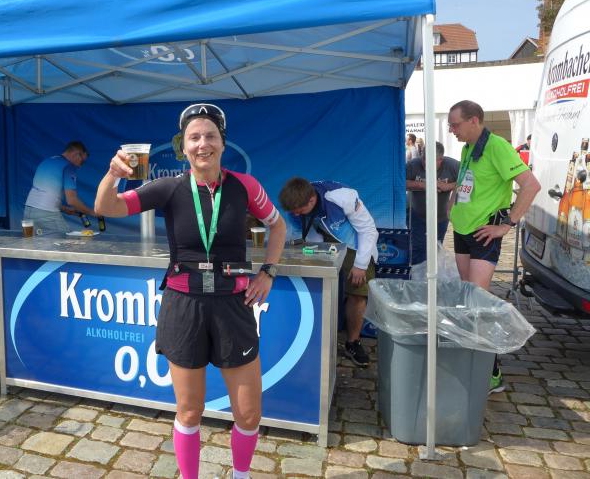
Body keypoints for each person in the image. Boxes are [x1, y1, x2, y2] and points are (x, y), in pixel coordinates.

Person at [95, 103, 286, 479]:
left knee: (249, 413)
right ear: (182, 147)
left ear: (223, 143)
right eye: (194, 137)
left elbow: (278, 227)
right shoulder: (168, 188)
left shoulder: (245, 186)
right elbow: (106, 206)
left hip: (232, 305)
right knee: (189, 410)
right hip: (184, 305)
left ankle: (241, 475)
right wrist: (113, 175)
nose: (203, 144)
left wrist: (268, 272)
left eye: (210, 136)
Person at [448, 100, 541, 394]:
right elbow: (466, 183)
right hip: (462, 230)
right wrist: (452, 205)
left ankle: (492, 371)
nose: (452, 130)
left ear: (474, 120)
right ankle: (472, 360)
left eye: (455, 125)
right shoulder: (467, 148)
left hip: (484, 233)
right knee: (468, 299)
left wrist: (507, 224)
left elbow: (531, 185)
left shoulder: (497, 146)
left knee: (479, 304)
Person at [279, 177, 378, 368]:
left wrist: (361, 265)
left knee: (357, 292)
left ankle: (353, 342)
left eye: (299, 211)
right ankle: (313, 338)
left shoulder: (342, 198)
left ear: (311, 200)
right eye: (293, 211)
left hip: (354, 242)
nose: (295, 214)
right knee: (314, 283)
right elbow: (308, 234)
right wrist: (315, 255)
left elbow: (368, 230)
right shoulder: (295, 208)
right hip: (324, 240)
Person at [406, 141, 460, 265]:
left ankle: (433, 274)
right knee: (417, 248)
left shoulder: (452, 165)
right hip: (417, 215)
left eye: (431, 161)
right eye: (424, 159)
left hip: (441, 217)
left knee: (436, 248)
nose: (425, 163)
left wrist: (448, 186)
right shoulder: (413, 165)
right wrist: (422, 185)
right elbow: (399, 182)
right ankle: (418, 274)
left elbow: (469, 179)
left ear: (441, 160)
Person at [25, 141, 95, 234]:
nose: (80, 166)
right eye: (82, 161)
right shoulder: (68, 167)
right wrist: (92, 212)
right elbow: (72, 200)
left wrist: (64, 209)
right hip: (47, 214)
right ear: (76, 154)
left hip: (28, 211)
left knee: (35, 241)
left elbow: (44, 195)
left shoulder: (47, 161)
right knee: (66, 241)